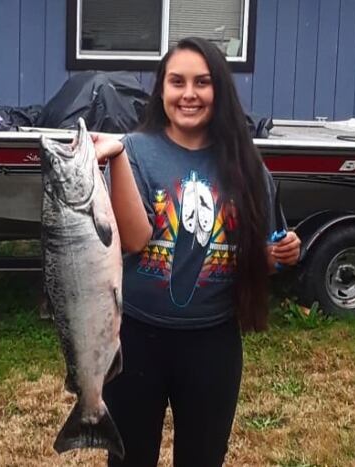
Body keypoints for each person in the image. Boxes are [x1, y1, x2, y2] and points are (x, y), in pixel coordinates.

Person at [92, 36, 301, 466]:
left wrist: (280, 254)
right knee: (130, 458)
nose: (189, 94)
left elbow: (259, 255)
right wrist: (115, 159)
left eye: (202, 82)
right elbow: (133, 241)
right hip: (134, 339)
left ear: (218, 91)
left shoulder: (246, 163)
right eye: (177, 82)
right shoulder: (133, 151)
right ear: (161, 90)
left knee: (203, 458)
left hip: (213, 343)